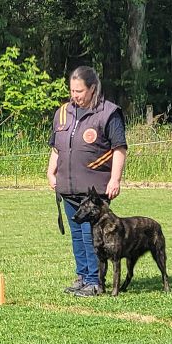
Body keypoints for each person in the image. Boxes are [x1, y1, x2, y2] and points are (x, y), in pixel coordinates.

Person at [46, 66, 127, 298]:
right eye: (72, 90)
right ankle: (82, 276)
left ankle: (95, 281)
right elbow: (56, 147)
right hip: (68, 188)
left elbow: (119, 149)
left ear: (92, 88)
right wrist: (51, 172)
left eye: (79, 91)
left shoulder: (109, 113)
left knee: (92, 236)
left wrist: (115, 179)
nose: (75, 95)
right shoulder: (62, 113)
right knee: (76, 235)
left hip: (94, 191)